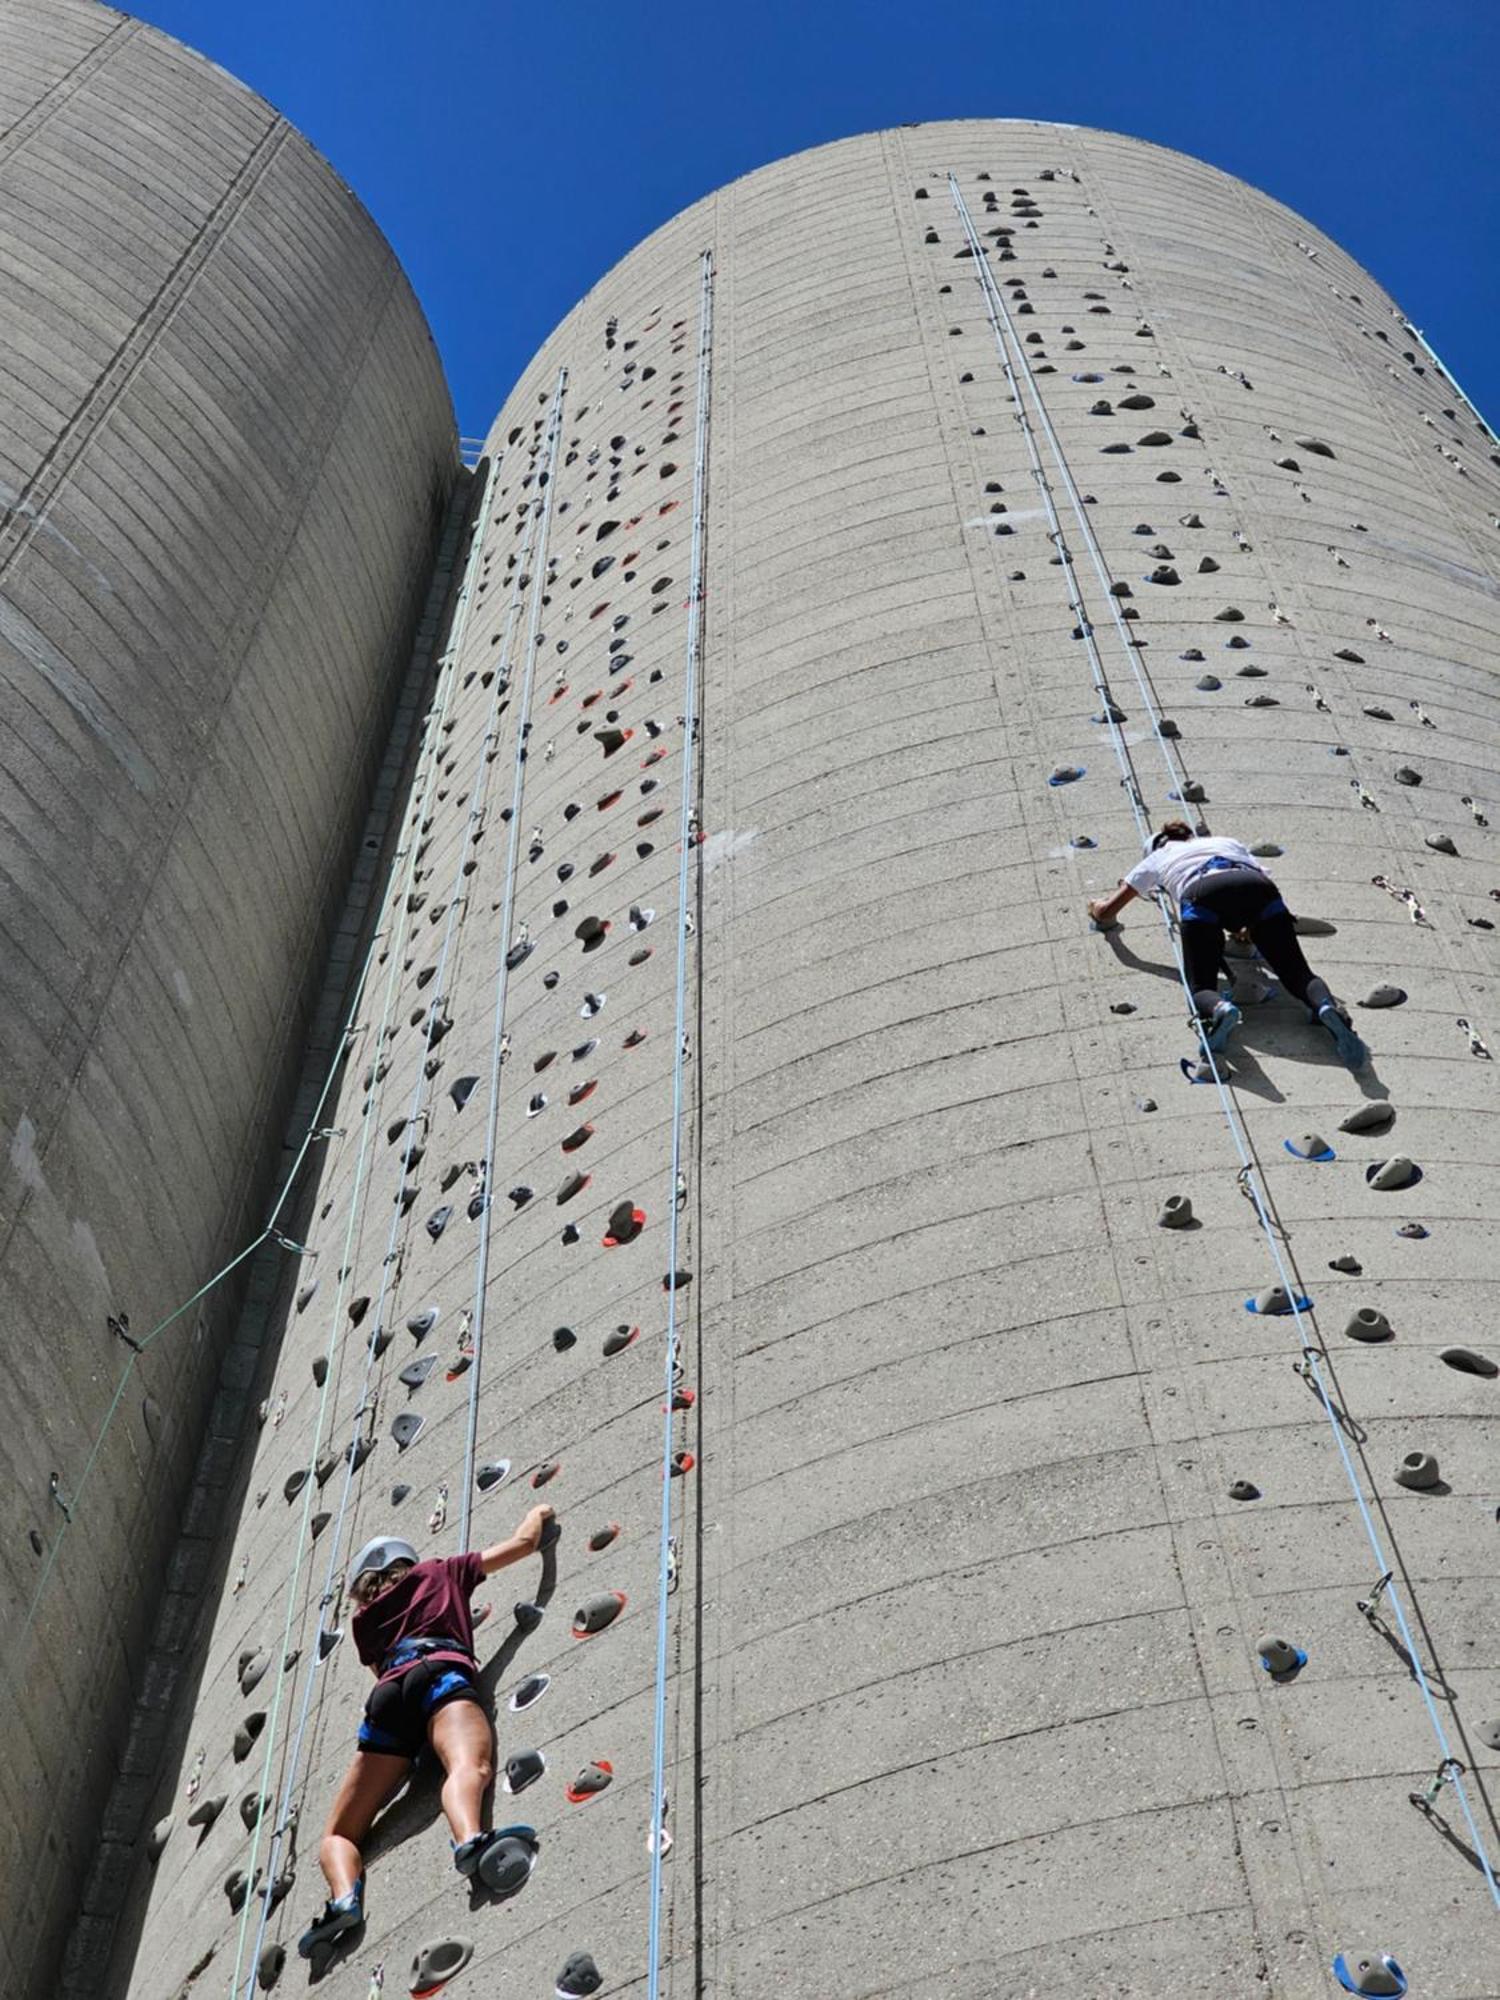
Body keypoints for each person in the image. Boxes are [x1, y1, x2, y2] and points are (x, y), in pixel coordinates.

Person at [297, 1505, 554, 1958]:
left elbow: (380, 1669)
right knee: (467, 1765)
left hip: (388, 1698)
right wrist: (539, 1511)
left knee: (338, 1834)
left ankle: (342, 1900)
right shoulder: (441, 1571)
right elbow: (522, 1545)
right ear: (406, 1561)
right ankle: (470, 1839)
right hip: (439, 1672)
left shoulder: (363, 1621)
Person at [1086, 820, 1367, 1069]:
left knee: (1201, 987)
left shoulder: (1157, 857)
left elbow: (1109, 911)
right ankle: (1326, 1007)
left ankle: (1221, 1008)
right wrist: (1248, 928)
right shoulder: (1226, 842)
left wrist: (1096, 909)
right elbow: (1253, 882)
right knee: (1298, 973)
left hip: (1201, 894)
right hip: (1257, 888)